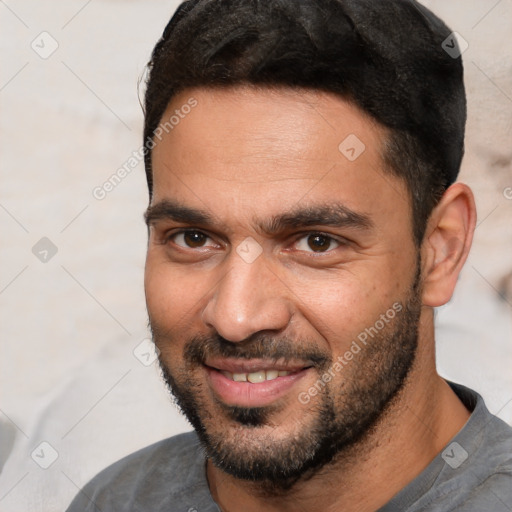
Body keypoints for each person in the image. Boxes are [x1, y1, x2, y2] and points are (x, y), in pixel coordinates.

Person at [66, 0, 512, 510]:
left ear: (441, 250)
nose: (235, 318)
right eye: (193, 238)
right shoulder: (116, 500)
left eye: (315, 242)